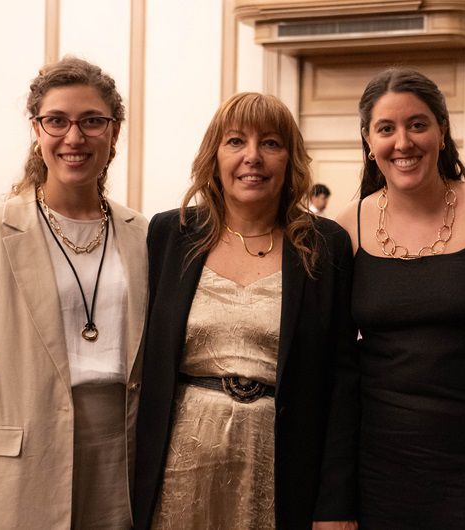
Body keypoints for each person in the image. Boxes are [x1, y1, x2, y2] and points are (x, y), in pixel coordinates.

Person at [0, 57, 148, 528]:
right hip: (21, 459)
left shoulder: (143, 235)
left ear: (114, 131)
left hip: (122, 456)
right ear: (37, 130)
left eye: (92, 121)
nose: (74, 137)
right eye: (56, 121)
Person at [131, 92, 355, 529]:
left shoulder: (324, 245)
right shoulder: (169, 235)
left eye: (270, 143)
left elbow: (344, 381)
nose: (252, 157)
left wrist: (337, 504)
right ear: (214, 156)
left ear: (290, 160)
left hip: (282, 466)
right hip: (180, 467)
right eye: (236, 141)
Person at [320, 67, 465, 529]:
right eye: (386, 129)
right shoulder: (345, 227)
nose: (403, 142)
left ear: (443, 131)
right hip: (381, 471)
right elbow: (335, 367)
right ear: (368, 141)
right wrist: (334, 500)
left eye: (417, 124)